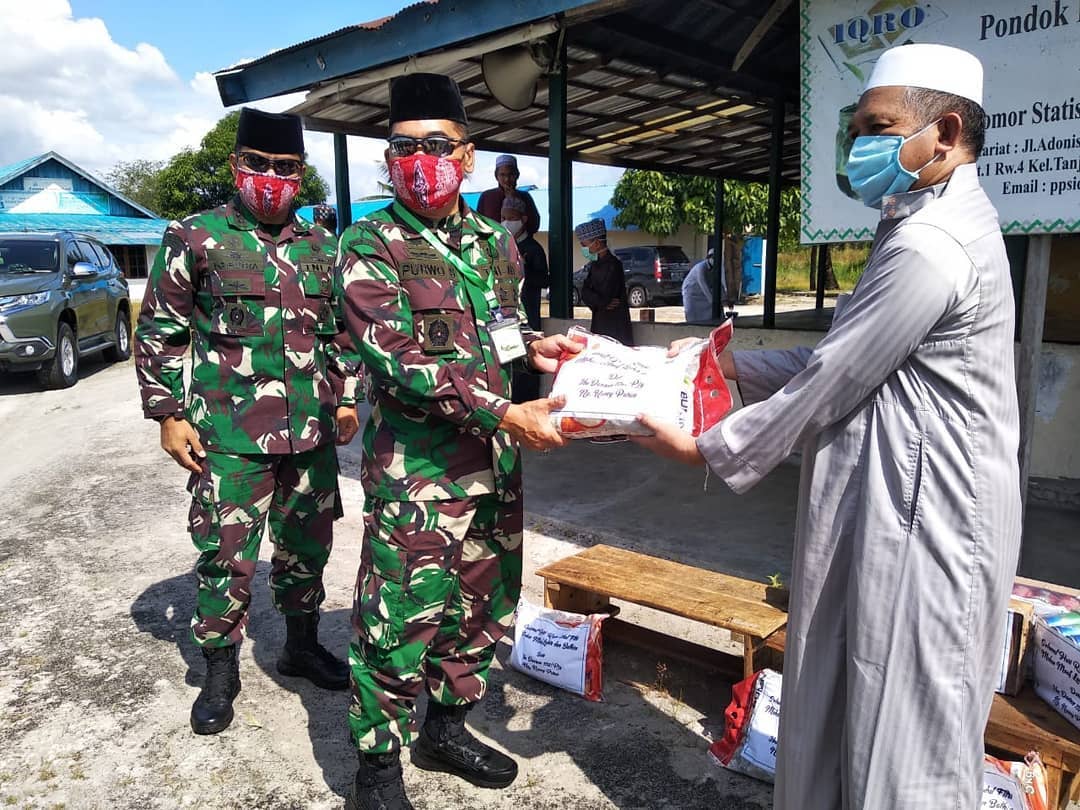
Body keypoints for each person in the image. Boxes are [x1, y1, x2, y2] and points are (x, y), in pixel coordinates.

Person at [632, 44, 1020, 810]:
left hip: (926, 514)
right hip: (889, 497)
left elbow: (833, 381)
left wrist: (708, 444)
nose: (860, 147)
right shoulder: (919, 219)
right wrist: (731, 362)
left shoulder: (931, 246)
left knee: (907, 733)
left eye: (878, 127)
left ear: (943, 131)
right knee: (850, 694)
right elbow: (844, 351)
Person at [334, 72, 579, 810]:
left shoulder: (492, 242)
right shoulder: (369, 242)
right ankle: (375, 771)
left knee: (480, 608)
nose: (419, 159)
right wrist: (507, 414)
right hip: (421, 475)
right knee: (397, 620)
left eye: (436, 145)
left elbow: (499, 328)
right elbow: (398, 360)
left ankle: (445, 728)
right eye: (403, 148)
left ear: (468, 156)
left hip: (494, 470)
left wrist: (535, 350)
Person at [134, 107, 362, 736]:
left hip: (311, 434)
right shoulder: (196, 236)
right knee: (227, 555)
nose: (271, 177)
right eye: (258, 164)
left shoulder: (323, 245)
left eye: (285, 168)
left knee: (307, 549)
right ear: (237, 167)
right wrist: (167, 412)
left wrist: (345, 398)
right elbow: (159, 329)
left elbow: (340, 332)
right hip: (229, 437)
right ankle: (219, 670)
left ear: (301, 174)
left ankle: (300, 645)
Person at [500, 194, 550, 403]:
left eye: (511, 218)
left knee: (527, 368)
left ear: (523, 219)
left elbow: (545, 280)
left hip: (528, 317)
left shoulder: (533, 248)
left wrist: (525, 268)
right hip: (504, 321)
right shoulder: (500, 246)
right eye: (503, 218)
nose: (506, 223)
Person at [575, 218, 633, 345]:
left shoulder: (613, 265)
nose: (584, 249)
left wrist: (598, 300)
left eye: (584, 245)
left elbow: (605, 296)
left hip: (615, 326)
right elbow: (585, 293)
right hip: (599, 322)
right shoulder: (594, 264)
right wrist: (599, 302)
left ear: (596, 243)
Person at [476, 154, 541, 237]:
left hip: (520, 246)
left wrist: (515, 198)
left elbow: (534, 225)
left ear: (517, 175)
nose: (507, 179)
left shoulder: (525, 197)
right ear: (496, 176)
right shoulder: (486, 196)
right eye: (502, 175)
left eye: (511, 174)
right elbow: (478, 225)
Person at [682, 247, 719, 324]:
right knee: (693, 317)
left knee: (709, 316)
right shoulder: (701, 267)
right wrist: (713, 301)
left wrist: (724, 298)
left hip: (702, 294)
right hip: (691, 294)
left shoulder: (716, 268)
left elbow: (719, 283)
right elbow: (703, 284)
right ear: (708, 258)